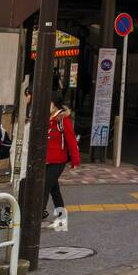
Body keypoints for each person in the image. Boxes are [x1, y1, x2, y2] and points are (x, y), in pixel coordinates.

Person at [45, 94, 80, 229]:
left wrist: (75, 160)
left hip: (58, 160)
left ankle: (35, 216)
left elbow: (71, 140)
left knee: (44, 187)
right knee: (54, 190)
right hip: (46, 160)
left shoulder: (62, 119)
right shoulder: (47, 118)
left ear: (55, 104)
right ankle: (62, 218)